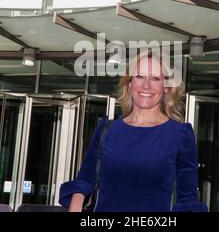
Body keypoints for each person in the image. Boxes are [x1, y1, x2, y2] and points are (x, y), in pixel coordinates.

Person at [59, 50, 207, 212]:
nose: (146, 85)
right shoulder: (107, 130)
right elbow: (86, 180)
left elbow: (187, 196)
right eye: (139, 76)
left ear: (166, 87)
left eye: (155, 78)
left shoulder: (180, 135)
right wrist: (76, 203)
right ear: (129, 83)